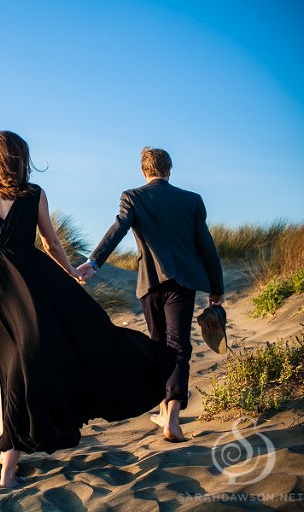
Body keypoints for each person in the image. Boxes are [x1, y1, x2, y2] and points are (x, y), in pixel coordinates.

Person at [0, 131, 176, 489]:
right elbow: (52, 243)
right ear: (20, 158)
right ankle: (9, 465)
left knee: (10, 368)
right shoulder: (33, 194)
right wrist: (72, 271)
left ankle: (7, 448)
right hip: (29, 287)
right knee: (29, 365)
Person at [78, 147, 224, 443]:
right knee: (178, 346)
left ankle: (165, 412)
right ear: (169, 169)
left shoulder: (133, 197)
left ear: (144, 171)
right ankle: (170, 417)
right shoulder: (192, 200)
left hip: (150, 284)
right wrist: (216, 287)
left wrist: (94, 262)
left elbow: (118, 229)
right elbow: (206, 245)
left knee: (160, 345)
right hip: (182, 283)